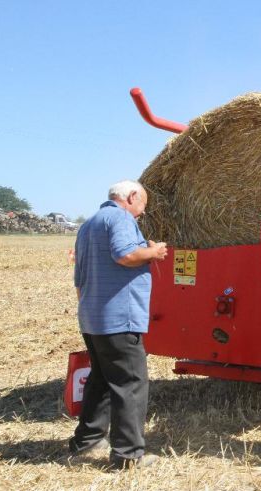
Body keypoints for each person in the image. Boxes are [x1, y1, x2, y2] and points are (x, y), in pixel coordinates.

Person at [70, 180, 167, 469]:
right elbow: (125, 254)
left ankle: (86, 440)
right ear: (132, 197)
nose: (141, 214)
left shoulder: (89, 224)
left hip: (92, 316)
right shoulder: (120, 217)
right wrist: (154, 252)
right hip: (119, 318)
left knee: (101, 379)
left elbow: (79, 276)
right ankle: (127, 454)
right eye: (142, 208)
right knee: (131, 383)